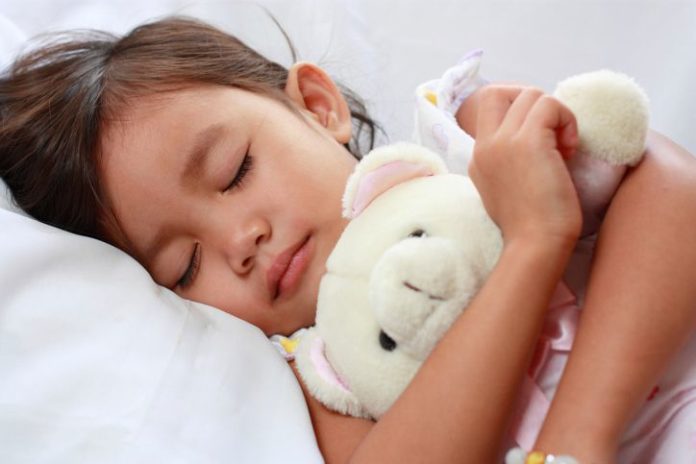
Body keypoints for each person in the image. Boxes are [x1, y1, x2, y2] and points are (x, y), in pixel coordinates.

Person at [1, 16, 695, 463]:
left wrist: (579, 435)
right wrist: (532, 247)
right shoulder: (314, 375)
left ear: (318, 106)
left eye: (235, 171)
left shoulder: (464, 151)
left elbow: (665, 178)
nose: (240, 240)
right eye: (185, 269)